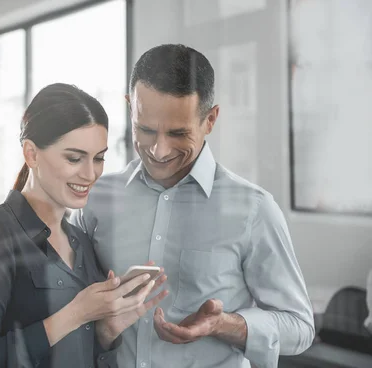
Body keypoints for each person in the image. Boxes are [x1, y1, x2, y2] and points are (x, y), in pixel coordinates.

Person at [71, 44, 315, 368]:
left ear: (210, 119)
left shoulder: (253, 210)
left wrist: (224, 324)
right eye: (145, 129)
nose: (158, 150)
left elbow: (299, 326)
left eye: (178, 133)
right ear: (130, 108)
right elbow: (67, 309)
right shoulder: (96, 199)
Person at [0, 83, 167, 368]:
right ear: (32, 154)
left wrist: (106, 329)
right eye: (74, 158)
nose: (90, 174)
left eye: (99, 158)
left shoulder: (80, 241)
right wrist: (74, 314)